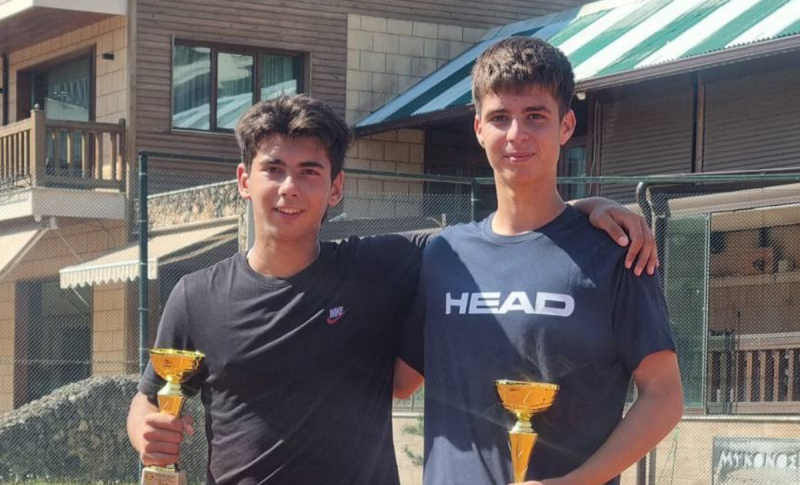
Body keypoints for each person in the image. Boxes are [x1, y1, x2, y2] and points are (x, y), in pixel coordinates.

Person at [126, 94, 661, 485]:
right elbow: (148, 400)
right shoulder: (196, 296)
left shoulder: (378, 267)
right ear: (245, 180)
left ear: (336, 187)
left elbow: (502, 233)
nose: (289, 188)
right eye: (274, 169)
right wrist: (145, 430)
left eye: (309, 171)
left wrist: (585, 210)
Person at [411, 37, 683, 485]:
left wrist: (577, 482)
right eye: (500, 118)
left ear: (566, 125)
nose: (516, 134)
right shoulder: (444, 255)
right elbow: (397, 379)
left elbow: (664, 395)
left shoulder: (615, 251)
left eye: (535, 116)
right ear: (478, 128)